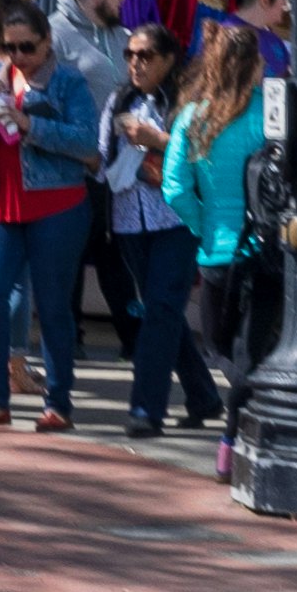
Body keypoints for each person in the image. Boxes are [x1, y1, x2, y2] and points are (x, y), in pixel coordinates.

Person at [0, 0, 104, 430]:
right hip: (0, 202)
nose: (19, 56)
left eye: (27, 47)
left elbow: (88, 143)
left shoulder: (68, 82)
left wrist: (33, 125)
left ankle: (59, 404)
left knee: (52, 307)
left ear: (47, 42)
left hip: (58, 205)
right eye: (11, 47)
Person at [165, 21, 273, 485]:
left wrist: (201, 222)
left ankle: (235, 432)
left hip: (215, 253)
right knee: (250, 354)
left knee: (219, 348)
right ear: (257, 65)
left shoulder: (193, 117)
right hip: (263, 250)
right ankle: (234, 436)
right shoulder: (268, 113)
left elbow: (174, 188)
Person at [97, 29, 198, 439]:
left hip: (175, 219)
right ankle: (204, 394)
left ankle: (145, 409)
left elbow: (202, 154)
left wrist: (157, 139)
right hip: (129, 220)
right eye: (130, 54)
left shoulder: (189, 101)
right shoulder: (119, 99)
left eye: (147, 55)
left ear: (170, 59)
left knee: (158, 311)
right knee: (164, 309)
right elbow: (101, 156)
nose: (136, 63)